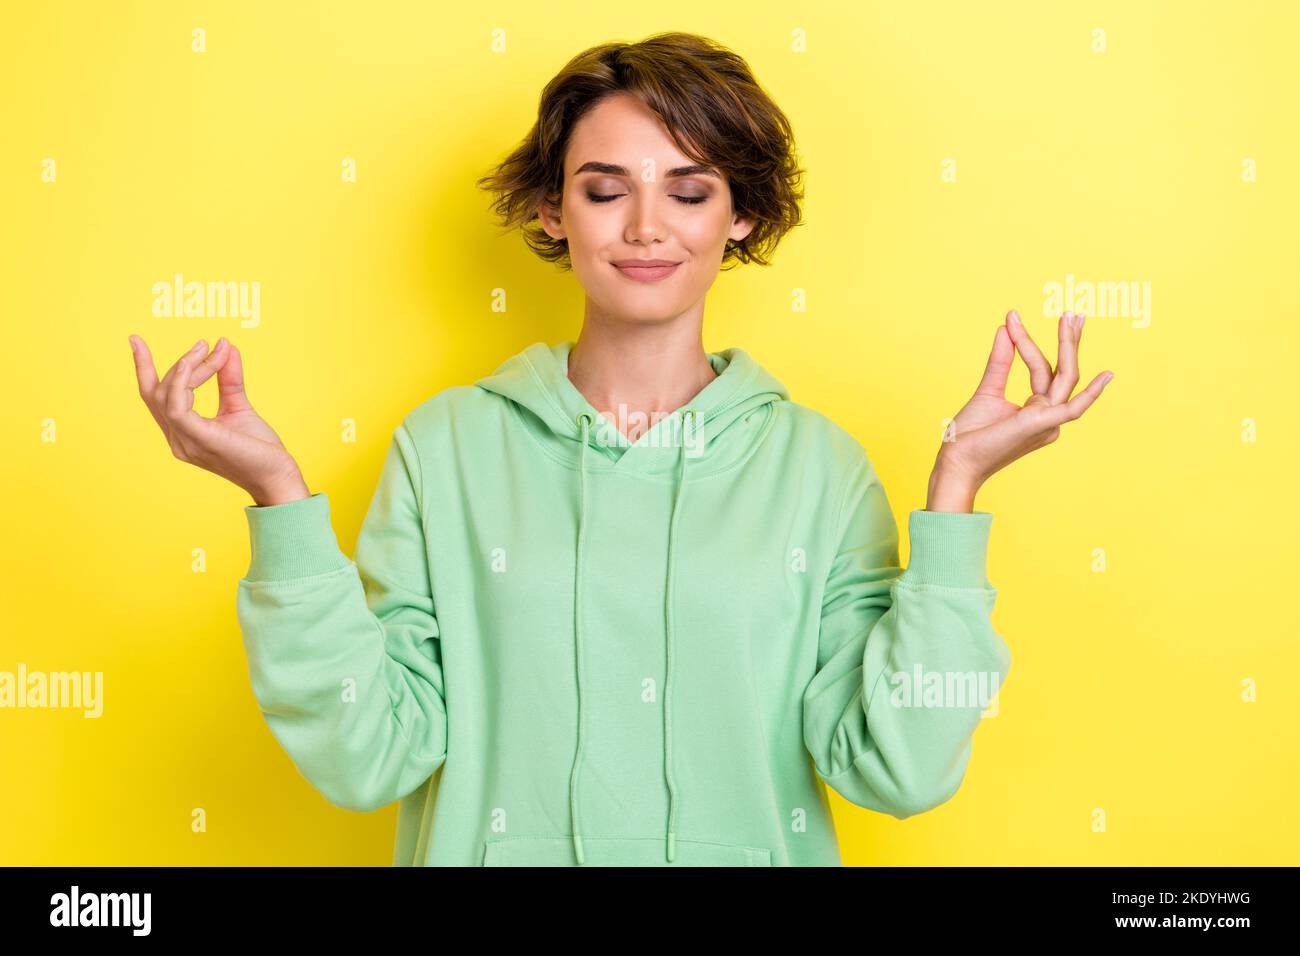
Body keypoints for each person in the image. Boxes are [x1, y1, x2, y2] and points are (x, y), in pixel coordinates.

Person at [128, 32, 1111, 866]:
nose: (646, 226)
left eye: (690, 192)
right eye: (606, 191)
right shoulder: (446, 447)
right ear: (553, 210)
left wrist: (954, 500)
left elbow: (893, 768)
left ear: (744, 216)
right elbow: (368, 756)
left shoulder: (820, 468)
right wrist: (280, 501)